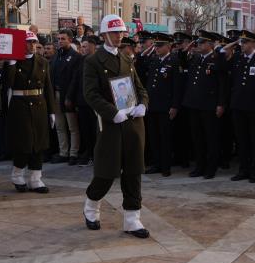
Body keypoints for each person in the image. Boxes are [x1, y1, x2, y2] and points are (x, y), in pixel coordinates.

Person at [81, 14, 150, 238]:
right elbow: (90, 94)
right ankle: (91, 207)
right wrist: (112, 113)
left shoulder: (127, 59)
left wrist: (143, 105)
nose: (119, 36)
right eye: (114, 32)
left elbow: (140, 88)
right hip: (111, 124)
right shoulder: (93, 61)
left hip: (132, 123)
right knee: (106, 172)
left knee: (133, 172)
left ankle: (132, 219)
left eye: (121, 32)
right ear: (103, 35)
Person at [3, 30, 56, 194]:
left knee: (39, 143)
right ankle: (17, 174)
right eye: (28, 42)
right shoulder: (14, 62)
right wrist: (11, 64)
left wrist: (52, 110)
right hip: (20, 104)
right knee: (23, 142)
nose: (32, 45)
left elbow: (48, 87)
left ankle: (35, 178)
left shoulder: (42, 62)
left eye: (34, 42)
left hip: (39, 104)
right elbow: (7, 84)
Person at [224, 31, 255, 183]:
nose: (242, 45)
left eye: (245, 42)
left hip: (254, 106)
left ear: (253, 43)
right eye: (241, 42)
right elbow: (223, 51)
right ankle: (243, 169)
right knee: (241, 140)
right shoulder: (237, 58)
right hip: (238, 105)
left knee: (254, 140)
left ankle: (253, 170)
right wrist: (234, 43)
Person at [181, 31, 227, 179]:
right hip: (194, 103)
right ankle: (199, 166)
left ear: (210, 44)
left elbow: (222, 84)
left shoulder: (217, 59)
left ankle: (210, 168)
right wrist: (188, 48)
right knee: (197, 138)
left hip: (209, 105)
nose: (199, 45)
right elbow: (182, 61)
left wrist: (221, 104)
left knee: (211, 138)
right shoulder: (196, 58)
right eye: (198, 43)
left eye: (202, 43)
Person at [144, 33, 181, 177]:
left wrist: (175, 106)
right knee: (154, 137)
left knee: (165, 137)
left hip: (166, 106)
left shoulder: (174, 61)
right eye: (156, 46)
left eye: (160, 46)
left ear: (168, 46)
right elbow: (142, 63)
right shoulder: (154, 60)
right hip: (153, 105)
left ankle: (165, 166)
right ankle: (156, 164)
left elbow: (177, 86)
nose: (157, 48)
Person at [66, 35, 98, 166]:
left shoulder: (98, 60)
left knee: (95, 129)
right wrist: (70, 97)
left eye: (85, 46)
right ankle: (88, 152)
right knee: (85, 129)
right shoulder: (81, 61)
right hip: (82, 101)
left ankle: (96, 153)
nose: (83, 49)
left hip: (95, 102)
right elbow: (75, 80)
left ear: (92, 46)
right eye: (82, 47)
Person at [51, 29, 82, 164]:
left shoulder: (76, 57)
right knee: (60, 126)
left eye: (63, 39)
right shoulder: (56, 56)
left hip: (69, 96)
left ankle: (73, 153)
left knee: (72, 127)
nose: (60, 41)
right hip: (56, 94)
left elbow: (75, 80)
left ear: (70, 40)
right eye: (58, 39)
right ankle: (63, 152)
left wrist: (70, 97)